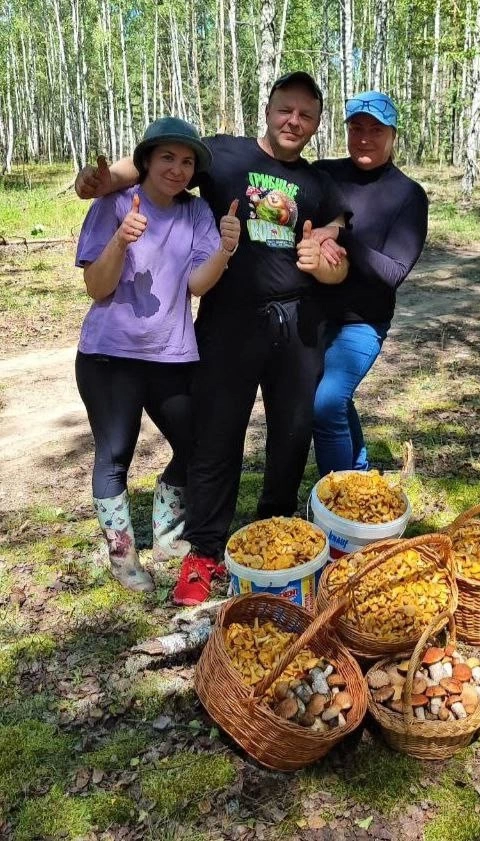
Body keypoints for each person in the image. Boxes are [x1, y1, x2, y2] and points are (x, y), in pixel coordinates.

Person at [75, 72, 348, 605]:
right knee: (216, 436)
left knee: (292, 434)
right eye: (285, 109)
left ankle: (277, 533)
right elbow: (157, 162)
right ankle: (203, 550)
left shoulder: (318, 184)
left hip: (298, 324)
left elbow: (336, 236)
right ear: (267, 109)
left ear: (317, 124)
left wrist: (328, 249)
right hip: (229, 321)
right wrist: (104, 182)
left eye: (306, 115)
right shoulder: (222, 154)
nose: (294, 121)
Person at [75, 117, 240, 593]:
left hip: (171, 355)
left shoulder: (196, 213)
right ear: (146, 160)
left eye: (187, 161)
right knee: (115, 455)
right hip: (109, 355)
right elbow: (96, 287)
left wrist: (225, 250)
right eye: (167, 157)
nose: (177, 169)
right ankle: (123, 556)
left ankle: (168, 535)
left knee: (194, 445)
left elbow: (196, 284)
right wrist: (120, 240)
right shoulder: (114, 204)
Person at [310, 91, 428, 475]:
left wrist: (341, 236)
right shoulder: (323, 173)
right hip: (312, 315)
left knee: (326, 404)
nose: (364, 138)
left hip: (363, 322)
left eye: (376, 130)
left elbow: (393, 272)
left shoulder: (409, 195)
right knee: (335, 400)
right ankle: (359, 474)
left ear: (393, 135)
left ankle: (337, 499)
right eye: (356, 128)